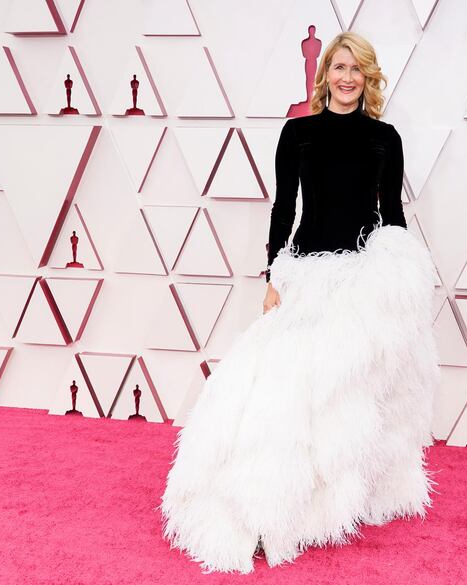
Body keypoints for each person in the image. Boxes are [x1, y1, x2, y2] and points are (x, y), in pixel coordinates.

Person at [159, 32, 440, 574]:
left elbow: (393, 215)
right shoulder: (298, 135)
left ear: (369, 77)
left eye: (357, 68)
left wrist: (402, 277)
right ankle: (268, 506)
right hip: (307, 278)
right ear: (324, 74)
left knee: (348, 402)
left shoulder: (385, 138)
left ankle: (335, 505)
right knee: (286, 397)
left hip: (362, 283)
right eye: (339, 66)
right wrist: (274, 276)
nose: (347, 77)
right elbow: (283, 208)